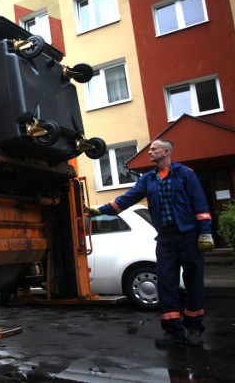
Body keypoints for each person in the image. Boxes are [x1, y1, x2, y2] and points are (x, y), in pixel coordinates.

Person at [89, 139, 214, 347]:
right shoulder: (148, 179)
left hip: (189, 238)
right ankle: (174, 332)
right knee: (165, 285)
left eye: (154, 149)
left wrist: (206, 234)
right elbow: (126, 200)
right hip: (165, 239)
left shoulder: (186, 174)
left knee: (193, 284)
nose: (150, 153)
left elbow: (200, 205)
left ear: (166, 152)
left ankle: (194, 329)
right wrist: (99, 211)